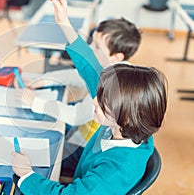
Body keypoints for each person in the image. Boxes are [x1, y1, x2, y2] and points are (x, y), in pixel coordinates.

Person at [12, 63, 168, 194]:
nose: (94, 101)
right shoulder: (120, 129)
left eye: (103, 100)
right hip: (82, 176)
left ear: (126, 117)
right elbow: (92, 155)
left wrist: (26, 175)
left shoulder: (116, 170)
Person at [16, 17, 141, 146]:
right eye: (92, 42)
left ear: (116, 57)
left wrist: (35, 102)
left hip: (84, 144)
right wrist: (45, 80)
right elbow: (77, 76)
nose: (90, 48)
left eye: (97, 46)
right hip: (82, 127)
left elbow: (75, 116)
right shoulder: (116, 69)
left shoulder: (112, 86)